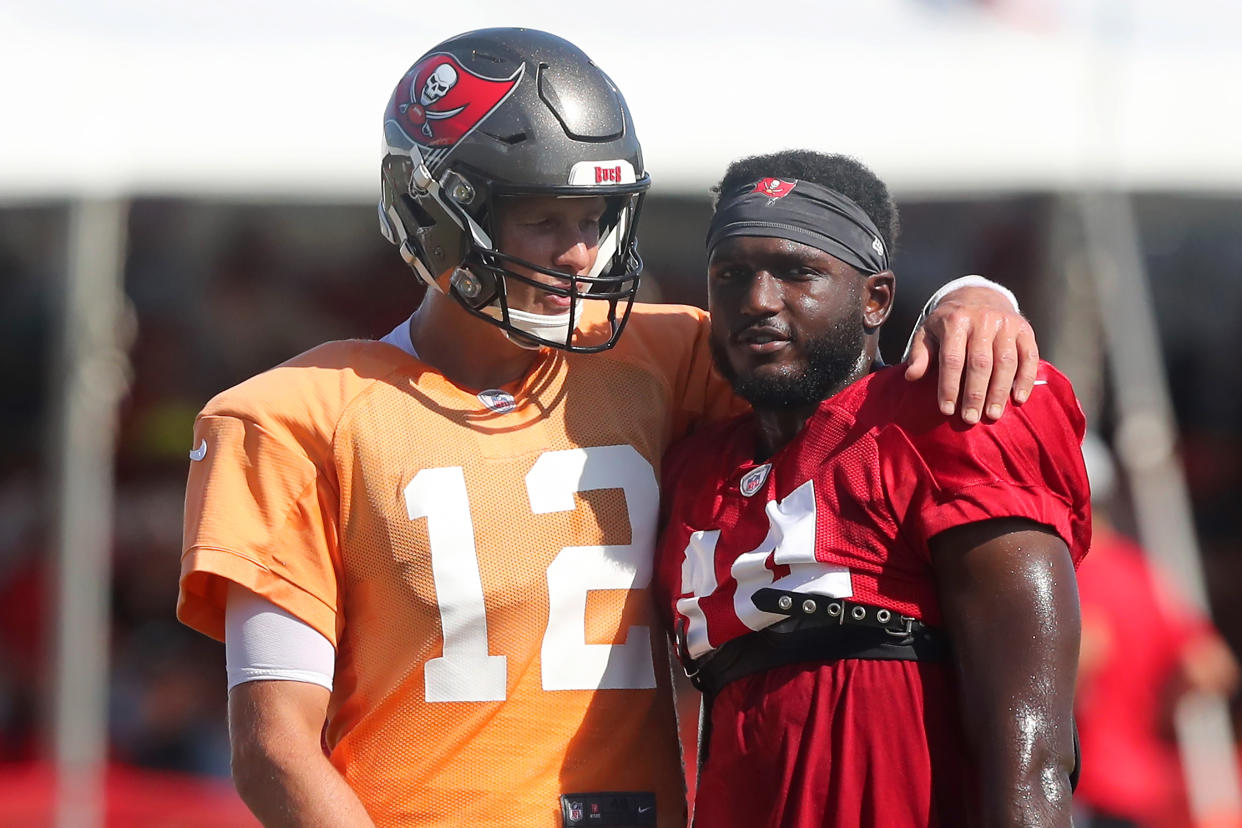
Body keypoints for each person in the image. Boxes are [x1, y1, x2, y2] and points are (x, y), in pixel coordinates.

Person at [176, 29, 1043, 828]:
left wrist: (973, 298)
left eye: (593, 220)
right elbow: (272, 744)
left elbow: (844, 375)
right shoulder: (289, 416)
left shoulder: (660, 356)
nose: (580, 253)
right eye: (544, 219)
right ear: (437, 210)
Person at [653, 149, 1092, 827]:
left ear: (876, 298)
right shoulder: (691, 466)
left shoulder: (946, 412)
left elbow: (1033, 748)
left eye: (798, 271)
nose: (758, 301)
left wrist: (976, 292)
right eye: (731, 275)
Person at [1074, 434, 1240, 828]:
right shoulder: (1145, 574)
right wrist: (1159, 708)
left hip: (1084, 788)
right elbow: (1213, 667)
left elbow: (1088, 654)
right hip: (1142, 791)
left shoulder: (1072, 576)